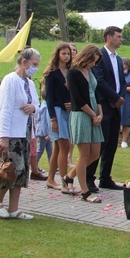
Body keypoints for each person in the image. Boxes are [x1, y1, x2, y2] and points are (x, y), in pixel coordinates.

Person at [0, 48, 41, 220]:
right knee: (11, 168)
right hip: (12, 132)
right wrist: (3, 135)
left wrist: (33, 108)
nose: (35, 68)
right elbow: (5, 109)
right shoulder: (10, 80)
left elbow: (38, 105)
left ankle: (14, 207)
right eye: (34, 64)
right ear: (24, 62)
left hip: (25, 131)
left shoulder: (30, 83)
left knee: (21, 170)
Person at [88, 26, 126, 192]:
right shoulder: (100, 57)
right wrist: (114, 98)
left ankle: (105, 177)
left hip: (116, 106)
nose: (121, 39)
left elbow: (121, 81)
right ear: (109, 37)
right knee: (99, 143)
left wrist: (120, 98)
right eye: (118, 36)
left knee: (112, 143)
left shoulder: (118, 59)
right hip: (103, 104)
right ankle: (89, 178)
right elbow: (100, 81)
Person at [66, 45, 105, 203]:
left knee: (95, 154)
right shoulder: (73, 72)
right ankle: (84, 191)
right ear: (86, 57)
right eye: (92, 61)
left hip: (94, 114)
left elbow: (96, 93)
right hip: (81, 115)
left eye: (95, 62)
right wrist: (92, 114)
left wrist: (100, 113)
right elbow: (77, 98)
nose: (93, 64)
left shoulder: (91, 71)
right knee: (84, 154)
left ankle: (69, 176)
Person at [43, 42, 74, 193]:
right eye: (64, 54)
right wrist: (53, 119)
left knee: (58, 147)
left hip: (67, 111)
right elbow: (49, 98)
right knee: (64, 146)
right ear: (58, 55)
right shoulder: (52, 74)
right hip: (57, 111)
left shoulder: (70, 71)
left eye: (68, 53)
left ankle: (50, 178)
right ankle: (64, 181)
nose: (66, 56)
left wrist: (71, 104)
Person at [35, 86, 53, 169]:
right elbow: (44, 122)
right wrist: (46, 133)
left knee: (50, 150)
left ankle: (52, 165)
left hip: (46, 133)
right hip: (43, 133)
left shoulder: (44, 105)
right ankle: (34, 165)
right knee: (40, 150)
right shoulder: (45, 107)